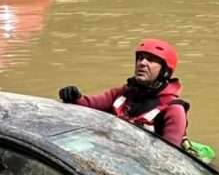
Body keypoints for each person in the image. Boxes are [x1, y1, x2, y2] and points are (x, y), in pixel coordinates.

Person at [58, 38, 189, 147]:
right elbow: (87, 105)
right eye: (140, 58)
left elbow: (170, 157)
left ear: (165, 71)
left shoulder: (173, 110)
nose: (142, 63)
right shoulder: (122, 94)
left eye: (150, 60)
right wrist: (73, 97)